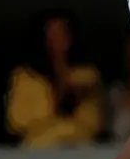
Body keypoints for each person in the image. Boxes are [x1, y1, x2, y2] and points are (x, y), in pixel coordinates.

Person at [6, 9, 104, 149]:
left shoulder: (87, 76)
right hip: (38, 152)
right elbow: (15, 121)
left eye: (62, 32)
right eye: (51, 33)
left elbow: (95, 122)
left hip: (80, 152)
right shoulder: (24, 77)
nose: (57, 39)